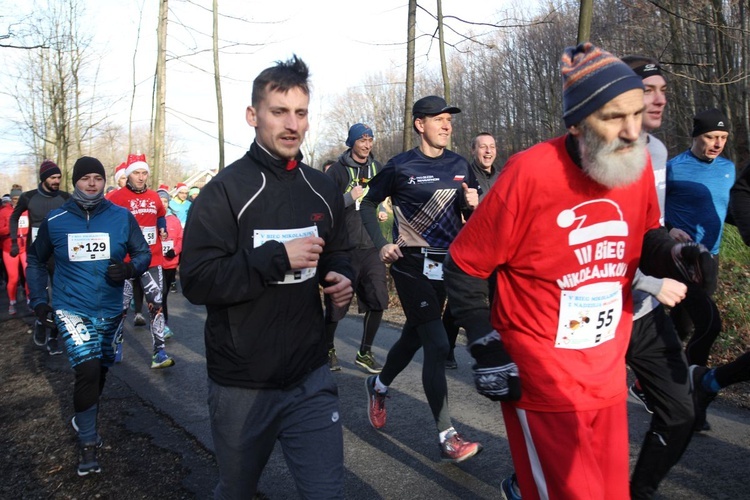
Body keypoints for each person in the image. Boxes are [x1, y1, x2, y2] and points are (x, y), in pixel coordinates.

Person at [443, 43, 715, 499]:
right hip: (542, 374)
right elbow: (465, 265)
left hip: (606, 371)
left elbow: (645, 234)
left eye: (635, 114)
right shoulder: (527, 174)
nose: (631, 131)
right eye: (614, 117)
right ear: (576, 123)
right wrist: (486, 344)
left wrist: (675, 256)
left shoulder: (637, 163)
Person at [180, 55, 353, 499]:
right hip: (242, 382)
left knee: (327, 493)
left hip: (309, 375)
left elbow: (338, 251)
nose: (292, 124)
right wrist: (278, 257)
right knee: (236, 491)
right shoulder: (225, 191)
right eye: (279, 112)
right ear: (253, 116)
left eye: (300, 112)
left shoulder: (322, 186)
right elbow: (197, 281)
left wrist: (340, 276)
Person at [359, 94, 483, 463]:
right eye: (439, 119)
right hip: (409, 264)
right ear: (420, 124)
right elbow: (366, 204)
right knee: (436, 342)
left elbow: (469, 213)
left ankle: (378, 385)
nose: (447, 125)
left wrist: (473, 208)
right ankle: (447, 435)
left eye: (450, 120)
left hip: (445, 266)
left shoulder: (461, 165)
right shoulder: (400, 166)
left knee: (414, 334)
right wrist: (382, 244)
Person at [26, 156, 150, 476]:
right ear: (75, 182)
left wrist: (128, 268)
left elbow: (142, 253)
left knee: (101, 370)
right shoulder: (56, 220)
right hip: (71, 308)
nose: (92, 183)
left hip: (110, 309)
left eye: (98, 177)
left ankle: (83, 417)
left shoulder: (121, 217)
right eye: (85, 178)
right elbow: (36, 261)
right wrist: (40, 302)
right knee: (88, 369)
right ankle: (88, 443)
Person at [665, 108, 733, 430]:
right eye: (710, 137)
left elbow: (729, 209)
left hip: (712, 258)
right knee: (702, 326)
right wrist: (668, 230)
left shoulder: (728, 170)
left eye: (722, 137)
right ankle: (693, 403)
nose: (717, 143)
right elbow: (652, 208)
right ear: (695, 136)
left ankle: (652, 383)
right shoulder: (673, 169)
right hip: (683, 259)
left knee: (687, 327)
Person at [324, 123, 389, 373]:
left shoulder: (377, 168)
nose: (367, 144)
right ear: (351, 143)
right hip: (344, 247)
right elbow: (327, 207)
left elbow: (382, 197)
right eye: (362, 140)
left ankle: (364, 352)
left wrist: (382, 209)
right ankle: (327, 348)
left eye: (370, 139)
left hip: (371, 245)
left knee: (377, 300)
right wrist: (350, 197)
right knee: (337, 303)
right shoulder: (337, 172)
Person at [108, 155, 174, 369]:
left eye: (144, 173)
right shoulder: (116, 197)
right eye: (136, 173)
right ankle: (114, 345)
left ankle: (159, 353)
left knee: (157, 305)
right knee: (121, 307)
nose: (141, 177)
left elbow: (161, 215)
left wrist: (162, 227)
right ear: (128, 175)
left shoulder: (155, 197)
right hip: (126, 262)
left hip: (152, 260)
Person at [444, 132, 501, 369]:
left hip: (499, 249)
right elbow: (459, 209)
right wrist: (469, 205)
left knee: (499, 301)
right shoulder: (465, 177)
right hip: (472, 252)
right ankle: (446, 349)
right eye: (482, 147)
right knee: (460, 303)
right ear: (473, 151)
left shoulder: (503, 176)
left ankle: (498, 351)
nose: (488, 151)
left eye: (491, 146)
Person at [10, 160, 70, 353]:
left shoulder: (64, 197)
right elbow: (14, 217)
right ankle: (39, 320)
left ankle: (53, 337)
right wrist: (13, 241)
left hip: (58, 255)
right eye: (53, 177)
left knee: (58, 297)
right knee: (39, 294)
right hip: (36, 255)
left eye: (59, 177)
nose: (57, 181)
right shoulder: (29, 197)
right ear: (44, 178)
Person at [157, 186, 182, 339]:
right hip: (156, 263)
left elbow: (180, 238)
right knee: (161, 293)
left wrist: (176, 250)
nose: (164, 204)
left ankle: (163, 322)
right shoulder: (151, 219)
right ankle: (162, 323)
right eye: (161, 201)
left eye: (166, 201)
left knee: (164, 295)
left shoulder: (174, 219)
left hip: (171, 262)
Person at [0, 188, 29, 314]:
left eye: (19, 199)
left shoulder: (27, 211)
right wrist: (12, 226)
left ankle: (30, 300)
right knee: (13, 278)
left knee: (29, 275)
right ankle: (12, 302)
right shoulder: (4, 212)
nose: (17, 202)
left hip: (25, 247)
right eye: (15, 199)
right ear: (11, 199)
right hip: (10, 248)